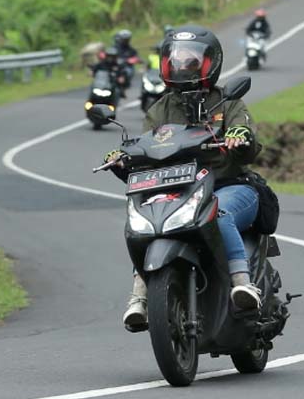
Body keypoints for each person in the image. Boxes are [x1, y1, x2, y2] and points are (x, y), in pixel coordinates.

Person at [103, 25, 265, 331]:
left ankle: (243, 285)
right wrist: (122, 159)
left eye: (191, 60)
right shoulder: (160, 108)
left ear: (210, 62)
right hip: (180, 190)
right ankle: (139, 298)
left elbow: (244, 133)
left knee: (221, 212)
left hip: (228, 185)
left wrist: (238, 136)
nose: (182, 66)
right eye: (176, 60)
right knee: (147, 226)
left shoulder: (226, 100)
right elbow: (148, 147)